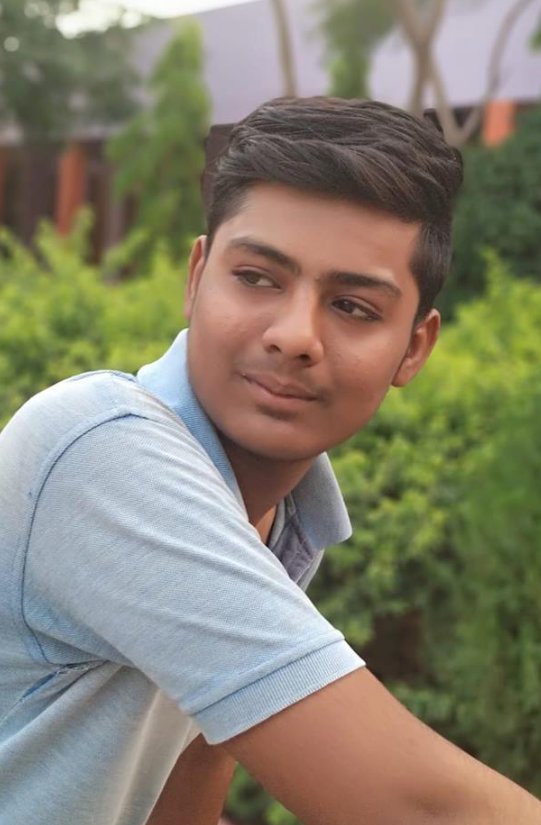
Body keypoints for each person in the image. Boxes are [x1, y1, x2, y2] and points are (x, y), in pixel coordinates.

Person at [0, 96, 539, 825]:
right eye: (257, 277)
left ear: (413, 348)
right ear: (196, 276)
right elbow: (420, 809)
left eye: (352, 306)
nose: (294, 335)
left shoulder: (271, 512)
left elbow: (191, 775)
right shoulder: (101, 450)